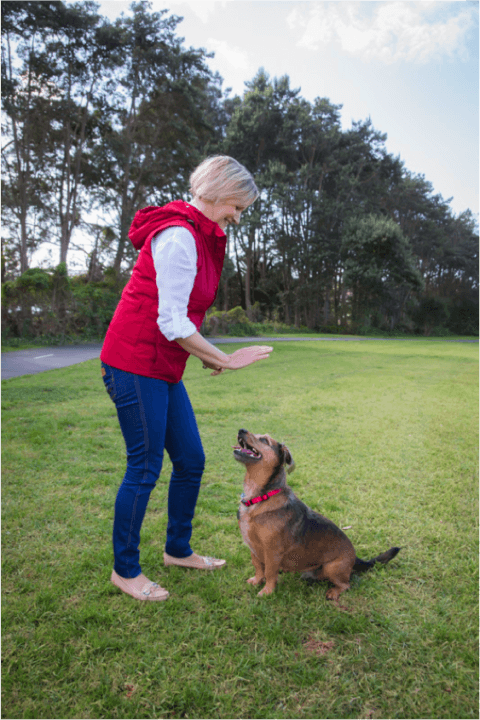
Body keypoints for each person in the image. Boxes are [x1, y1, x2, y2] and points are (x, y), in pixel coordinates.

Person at [100, 155, 273, 601]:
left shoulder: (197, 231)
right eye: (238, 205)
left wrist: (204, 355)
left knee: (192, 460)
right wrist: (226, 359)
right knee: (144, 468)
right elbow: (172, 322)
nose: (238, 216)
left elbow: (178, 323)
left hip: (161, 365)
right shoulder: (179, 235)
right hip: (133, 363)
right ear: (219, 190)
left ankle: (177, 550)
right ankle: (125, 570)